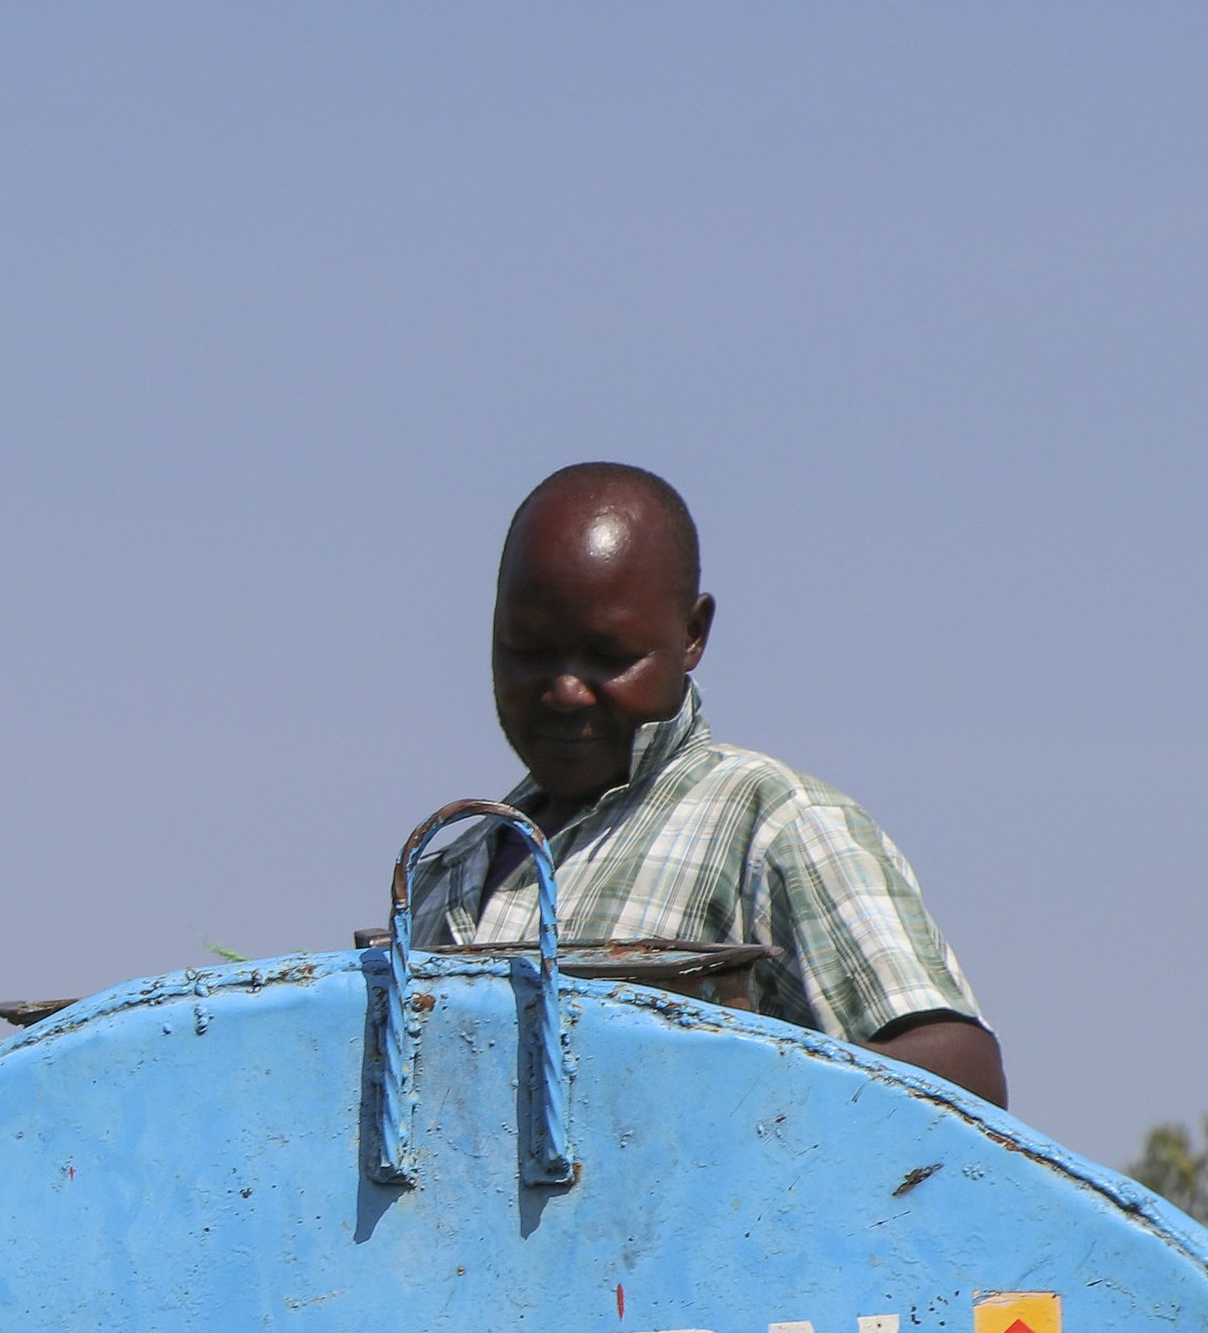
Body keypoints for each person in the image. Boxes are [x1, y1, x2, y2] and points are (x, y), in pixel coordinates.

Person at [406, 461, 1007, 1104]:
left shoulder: (770, 820)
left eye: (610, 656)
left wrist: (715, 1100)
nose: (564, 690)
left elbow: (963, 1078)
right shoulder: (449, 871)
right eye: (527, 648)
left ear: (691, 634)